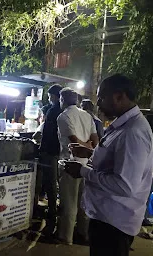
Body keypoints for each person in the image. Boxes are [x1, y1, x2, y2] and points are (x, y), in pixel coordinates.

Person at [65, 74, 153, 256]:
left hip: (114, 224)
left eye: (102, 97)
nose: (98, 104)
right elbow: (117, 160)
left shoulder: (132, 132)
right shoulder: (123, 126)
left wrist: (82, 171)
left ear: (119, 96)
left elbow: (124, 185)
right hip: (107, 218)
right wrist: (89, 153)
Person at [56, 88, 98, 245]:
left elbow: (74, 142)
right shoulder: (87, 115)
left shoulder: (64, 116)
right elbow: (95, 140)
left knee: (69, 203)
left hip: (71, 165)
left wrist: (84, 145)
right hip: (87, 166)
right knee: (83, 203)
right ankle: (83, 233)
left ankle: (66, 237)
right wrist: (90, 146)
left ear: (63, 99)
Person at [40, 84, 63, 236]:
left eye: (49, 96)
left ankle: (52, 216)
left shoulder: (53, 111)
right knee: (54, 184)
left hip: (50, 151)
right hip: (58, 152)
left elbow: (47, 133)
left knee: (50, 184)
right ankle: (54, 213)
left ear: (54, 96)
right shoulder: (62, 110)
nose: (49, 99)